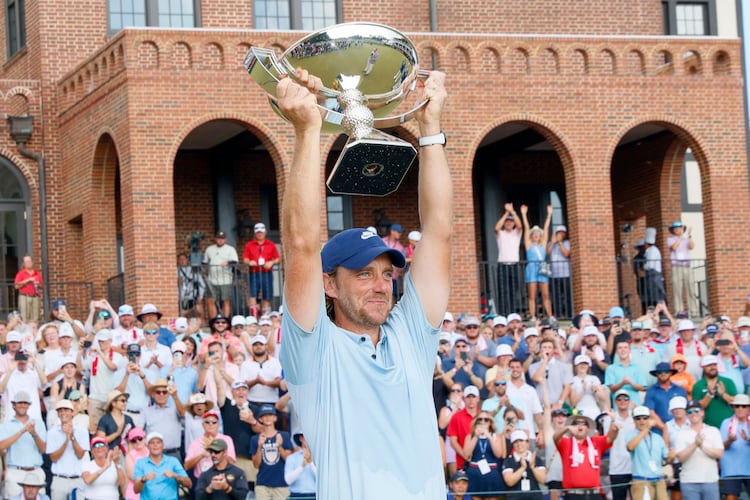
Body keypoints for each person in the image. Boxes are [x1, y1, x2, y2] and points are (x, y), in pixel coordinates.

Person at [277, 70, 450, 499]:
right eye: (362, 273)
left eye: (387, 273)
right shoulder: (314, 352)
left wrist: (430, 131)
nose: (380, 286)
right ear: (329, 286)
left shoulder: (409, 338)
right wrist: (308, 132)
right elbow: (300, 244)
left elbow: (439, 231)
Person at [553, 409, 619, 500]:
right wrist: (565, 429)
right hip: (574, 495)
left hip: (594, 494)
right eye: (576, 423)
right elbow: (555, 437)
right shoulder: (566, 443)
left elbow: (610, 438)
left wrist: (613, 421)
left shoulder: (596, 442)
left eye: (584, 424)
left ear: (588, 428)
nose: (580, 426)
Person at [0, 391, 47, 499]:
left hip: (35, 471)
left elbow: (44, 449)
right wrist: (22, 431)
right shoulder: (6, 424)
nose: (22, 405)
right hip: (15, 472)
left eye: (25, 403)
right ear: (13, 405)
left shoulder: (38, 423)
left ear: (29, 405)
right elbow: (1, 447)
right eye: (19, 403)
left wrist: (33, 433)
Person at [675, 401, 723, 500]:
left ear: (702, 412)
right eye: (689, 411)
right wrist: (695, 445)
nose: (693, 413)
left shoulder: (713, 431)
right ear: (687, 415)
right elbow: (680, 458)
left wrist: (702, 447)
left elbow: (719, 453)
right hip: (689, 481)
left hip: (710, 480)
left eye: (696, 410)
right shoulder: (681, 433)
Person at [626, 406, 673, 500]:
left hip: (659, 481)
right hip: (641, 481)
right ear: (634, 420)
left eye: (645, 418)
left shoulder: (657, 438)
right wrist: (646, 429)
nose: (641, 421)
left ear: (649, 419)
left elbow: (666, 459)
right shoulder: (631, 435)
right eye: (638, 418)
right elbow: (630, 447)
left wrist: (671, 456)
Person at [47, 399, 90, 500]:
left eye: (66, 410)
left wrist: (72, 437)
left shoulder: (82, 432)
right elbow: (53, 458)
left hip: (77, 479)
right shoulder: (52, 433)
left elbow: (80, 455)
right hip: (59, 479)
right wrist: (66, 440)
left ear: (72, 412)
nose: (63, 413)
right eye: (60, 410)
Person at [250, 404, 294, 500]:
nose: (267, 418)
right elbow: (256, 465)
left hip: (281, 484)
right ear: (260, 419)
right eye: (264, 416)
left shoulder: (284, 435)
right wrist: (260, 446)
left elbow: (289, 460)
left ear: (275, 418)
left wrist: (279, 446)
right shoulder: (255, 439)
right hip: (262, 484)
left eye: (270, 415)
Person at [133, 432, 192, 500]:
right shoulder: (141, 463)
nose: (155, 445)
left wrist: (175, 476)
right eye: (152, 443)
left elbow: (189, 484)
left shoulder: (173, 461)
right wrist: (144, 479)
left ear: (163, 445)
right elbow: (136, 490)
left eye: (158, 442)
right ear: (148, 446)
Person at [462, 411, 506, 500]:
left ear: (490, 422)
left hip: (491, 472)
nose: (483, 422)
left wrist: (489, 436)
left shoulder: (495, 436)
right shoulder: (470, 436)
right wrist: (476, 436)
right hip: (474, 472)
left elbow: (498, 454)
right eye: (480, 419)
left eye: (486, 420)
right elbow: (466, 455)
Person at [520, 204, 553, 320]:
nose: (536, 236)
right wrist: (524, 215)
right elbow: (526, 228)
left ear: (540, 236)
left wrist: (549, 215)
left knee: (545, 294)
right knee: (532, 294)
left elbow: (547, 229)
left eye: (538, 234)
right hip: (532, 266)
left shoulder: (543, 245)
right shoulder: (529, 245)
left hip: (543, 266)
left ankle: (550, 315)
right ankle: (533, 315)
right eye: (534, 234)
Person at [184, 410, 237, 479]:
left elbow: (232, 462)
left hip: (222, 478)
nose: (210, 424)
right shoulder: (195, 443)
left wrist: (214, 448)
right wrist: (201, 455)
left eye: (214, 422)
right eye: (207, 422)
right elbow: (186, 466)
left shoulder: (227, 439)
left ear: (218, 425)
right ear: (203, 425)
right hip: (202, 480)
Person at [242, 222, 281, 315]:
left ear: (265, 232)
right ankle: (254, 318)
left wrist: (271, 262)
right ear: (255, 233)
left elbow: (278, 259)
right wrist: (249, 262)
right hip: (254, 273)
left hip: (266, 273)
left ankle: (265, 317)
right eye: (258, 232)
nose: (260, 234)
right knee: (252, 295)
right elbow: (245, 259)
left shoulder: (271, 244)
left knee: (267, 296)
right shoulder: (249, 245)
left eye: (261, 232)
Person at [719, 394, 750, 500]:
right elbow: (721, 447)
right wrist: (730, 440)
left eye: (743, 406)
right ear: (733, 408)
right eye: (737, 406)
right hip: (731, 470)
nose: (740, 409)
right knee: (730, 498)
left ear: (749, 407)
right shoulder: (726, 423)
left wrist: (748, 440)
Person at [692, 355, 737, 428]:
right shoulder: (698, 385)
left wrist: (723, 394)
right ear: (703, 367)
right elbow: (697, 408)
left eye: (714, 364)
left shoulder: (728, 382)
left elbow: (737, 403)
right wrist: (709, 395)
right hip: (707, 426)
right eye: (709, 365)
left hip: (728, 426)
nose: (712, 367)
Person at [494, 204, 523, 315]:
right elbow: (496, 228)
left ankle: (512, 313)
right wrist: (506, 213)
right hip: (502, 264)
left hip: (514, 265)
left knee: (513, 291)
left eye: (511, 222)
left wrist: (513, 212)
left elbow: (520, 226)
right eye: (507, 222)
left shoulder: (516, 233)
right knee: (502, 291)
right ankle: (502, 313)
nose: (509, 223)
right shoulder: (501, 234)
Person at [667, 222, 698, 319]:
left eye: (679, 227)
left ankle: (693, 311)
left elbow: (692, 246)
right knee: (677, 290)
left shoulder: (686, 239)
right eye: (675, 228)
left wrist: (689, 235)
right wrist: (680, 237)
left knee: (690, 289)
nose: (677, 229)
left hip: (686, 266)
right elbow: (674, 247)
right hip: (676, 266)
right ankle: (679, 311)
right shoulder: (670, 239)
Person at [203, 230, 238, 318]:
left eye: (222, 239)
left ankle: (225, 321)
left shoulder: (230, 249)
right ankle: (214, 322)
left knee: (226, 301)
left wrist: (227, 262)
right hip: (212, 280)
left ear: (225, 239)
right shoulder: (209, 249)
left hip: (226, 280)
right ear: (215, 239)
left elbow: (235, 262)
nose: (220, 240)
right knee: (211, 301)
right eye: (218, 238)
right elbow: (204, 262)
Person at [502, 430, 546, 499]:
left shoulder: (536, 459)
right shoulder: (508, 461)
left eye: (521, 441)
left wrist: (533, 467)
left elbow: (543, 480)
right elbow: (509, 481)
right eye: (516, 442)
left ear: (527, 442)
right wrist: (522, 467)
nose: (519, 444)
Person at [547, 225, 572, 320]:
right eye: (558, 233)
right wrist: (553, 243)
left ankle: (568, 314)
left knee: (566, 295)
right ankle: (557, 314)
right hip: (554, 274)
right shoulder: (551, 243)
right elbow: (547, 253)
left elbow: (567, 254)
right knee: (556, 295)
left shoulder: (567, 243)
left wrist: (560, 242)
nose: (560, 235)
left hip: (565, 274)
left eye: (562, 233)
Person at [284, 432, 317, 499]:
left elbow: (322, 479)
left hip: (315, 496)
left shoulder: (319, 457)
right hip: (296, 496)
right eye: (306, 436)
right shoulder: (291, 458)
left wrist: (310, 462)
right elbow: (288, 481)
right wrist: (302, 465)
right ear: (301, 438)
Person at [14, 255, 43, 323]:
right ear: (23, 264)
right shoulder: (20, 273)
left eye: (29, 261)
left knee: (35, 317)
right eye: (26, 262)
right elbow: (16, 286)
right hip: (24, 297)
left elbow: (42, 286)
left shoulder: (37, 273)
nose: (28, 263)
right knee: (24, 317)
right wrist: (28, 280)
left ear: (32, 262)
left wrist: (38, 284)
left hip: (35, 297)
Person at [643, 227, 666, 307]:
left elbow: (650, 265)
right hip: (653, 275)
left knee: (655, 295)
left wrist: (644, 266)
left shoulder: (652, 250)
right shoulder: (651, 250)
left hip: (654, 275)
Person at [178, 253, 206, 317]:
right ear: (178, 261)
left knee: (199, 311)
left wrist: (200, 296)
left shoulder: (193, 270)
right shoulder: (175, 271)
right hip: (181, 297)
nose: (182, 261)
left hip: (193, 296)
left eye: (184, 259)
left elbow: (202, 285)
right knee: (182, 313)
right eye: (180, 259)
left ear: (187, 260)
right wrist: (177, 281)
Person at [125, 427, 149, 500]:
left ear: (145, 438)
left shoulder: (152, 452)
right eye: (134, 440)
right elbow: (133, 476)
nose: (137, 442)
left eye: (140, 438)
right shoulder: (130, 456)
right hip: (134, 495)